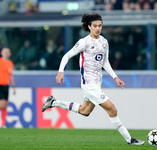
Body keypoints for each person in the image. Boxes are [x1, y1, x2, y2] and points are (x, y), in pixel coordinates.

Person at [42, 12, 145, 145]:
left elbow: (105, 62)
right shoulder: (84, 42)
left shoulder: (104, 42)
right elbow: (67, 56)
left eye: (100, 26)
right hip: (89, 84)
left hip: (97, 83)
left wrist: (115, 77)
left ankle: (53, 102)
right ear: (89, 26)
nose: (98, 28)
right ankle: (129, 139)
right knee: (112, 109)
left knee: (85, 111)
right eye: (95, 26)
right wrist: (60, 72)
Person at [0, 48, 16, 128]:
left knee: (5, 105)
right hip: (0, 85)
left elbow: (10, 75)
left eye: (8, 52)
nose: (6, 53)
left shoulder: (10, 63)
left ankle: (3, 123)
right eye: (5, 52)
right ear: (1, 53)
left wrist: (13, 86)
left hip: (6, 86)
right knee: (2, 104)